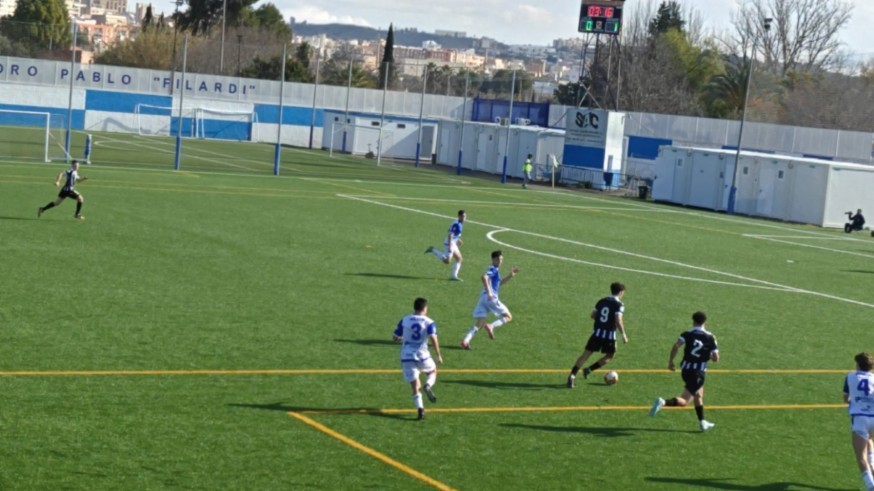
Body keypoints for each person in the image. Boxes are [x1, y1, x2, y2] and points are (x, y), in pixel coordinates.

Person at [649, 311, 719, 432]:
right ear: (705, 322)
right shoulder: (710, 337)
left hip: (685, 370)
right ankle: (663, 402)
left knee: (698, 394)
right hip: (698, 372)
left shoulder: (687, 334)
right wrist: (710, 356)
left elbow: (676, 346)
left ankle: (702, 422)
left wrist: (670, 361)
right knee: (685, 401)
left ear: (693, 321)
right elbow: (716, 358)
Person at [566, 282, 627, 388]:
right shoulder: (619, 305)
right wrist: (623, 334)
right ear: (621, 292)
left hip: (596, 334)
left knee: (585, 355)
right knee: (610, 355)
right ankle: (589, 370)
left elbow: (593, 315)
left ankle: (572, 376)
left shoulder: (601, 301)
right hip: (609, 336)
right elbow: (618, 320)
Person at [393, 297, 443, 420]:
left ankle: (420, 410)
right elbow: (433, 338)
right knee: (432, 371)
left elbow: (394, 337)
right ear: (425, 308)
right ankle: (428, 385)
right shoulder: (429, 322)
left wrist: (401, 338)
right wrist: (438, 354)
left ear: (414, 307)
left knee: (415, 385)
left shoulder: (405, 320)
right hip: (422, 354)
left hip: (407, 356)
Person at [460, 250, 519, 350]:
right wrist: (490, 292)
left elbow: (499, 283)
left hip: (483, 299)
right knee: (508, 316)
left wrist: (510, 275)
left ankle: (466, 341)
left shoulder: (495, 270)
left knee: (480, 323)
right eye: (498, 259)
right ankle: (491, 326)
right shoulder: (493, 269)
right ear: (493, 259)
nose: (500, 261)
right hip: (490, 298)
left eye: (501, 259)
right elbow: (484, 277)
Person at [844, 352, 874, 491]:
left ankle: (870, 486)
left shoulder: (850, 377)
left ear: (857, 364)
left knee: (861, 457)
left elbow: (846, 398)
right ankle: (872, 464)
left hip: (860, 419)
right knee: (869, 440)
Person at [425, 210, 466, 281]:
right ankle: (433, 249)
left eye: (465, 216)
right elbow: (450, 234)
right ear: (458, 216)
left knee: (459, 259)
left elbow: (450, 231)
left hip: (453, 242)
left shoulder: (460, 223)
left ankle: (453, 276)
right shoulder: (456, 223)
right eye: (462, 216)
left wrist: (458, 239)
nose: (463, 218)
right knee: (447, 261)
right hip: (449, 243)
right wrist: (450, 246)